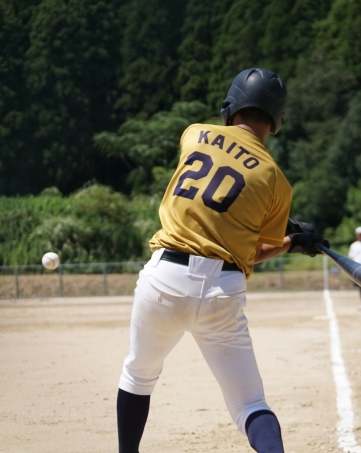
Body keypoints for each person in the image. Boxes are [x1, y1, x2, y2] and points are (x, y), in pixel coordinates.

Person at [116, 68, 329, 453]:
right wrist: (292, 241)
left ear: (231, 106)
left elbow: (213, 189)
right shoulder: (277, 181)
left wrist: (285, 232)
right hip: (222, 292)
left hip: (164, 280)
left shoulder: (195, 133)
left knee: (138, 376)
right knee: (250, 404)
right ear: (276, 121)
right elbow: (251, 252)